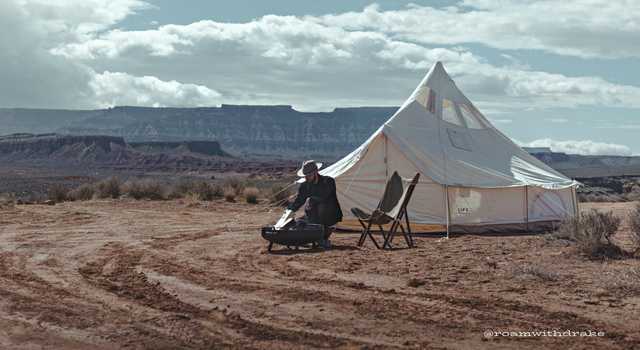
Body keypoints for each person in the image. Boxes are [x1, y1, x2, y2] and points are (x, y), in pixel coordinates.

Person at [284, 160, 342, 249]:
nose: (306, 178)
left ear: (316, 172)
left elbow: (325, 196)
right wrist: (290, 210)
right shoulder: (304, 185)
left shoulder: (328, 181)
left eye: (309, 175)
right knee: (299, 222)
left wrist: (311, 199)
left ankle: (321, 237)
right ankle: (315, 237)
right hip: (313, 216)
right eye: (305, 176)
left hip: (330, 215)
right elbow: (299, 200)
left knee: (322, 206)